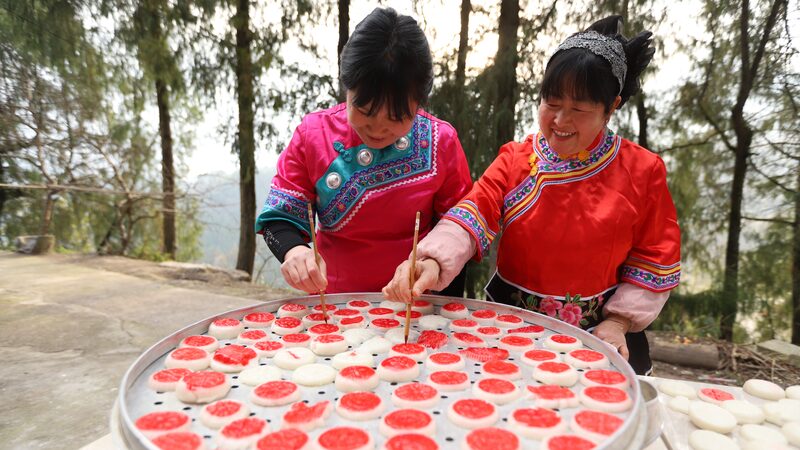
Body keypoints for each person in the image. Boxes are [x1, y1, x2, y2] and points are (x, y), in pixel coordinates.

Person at [382, 16, 680, 375]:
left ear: (611, 106)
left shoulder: (642, 171)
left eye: (579, 109)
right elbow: (476, 210)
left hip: (597, 331)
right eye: (551, 103)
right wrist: (432, 261)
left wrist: (619, 321)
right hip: (508, 326)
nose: (560, 120)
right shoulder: (516, 158)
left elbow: (654, 254)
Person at [256, 7, 472, 295]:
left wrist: (437, 283)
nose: (377, 129)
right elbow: (278, 218)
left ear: (419, 101)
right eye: (365, 110)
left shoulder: (441, 142)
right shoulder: (313, 136)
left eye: (397, 117)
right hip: (335, 306)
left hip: (418, 304)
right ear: (348, 85)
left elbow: (461, 227)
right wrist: (294, 252)